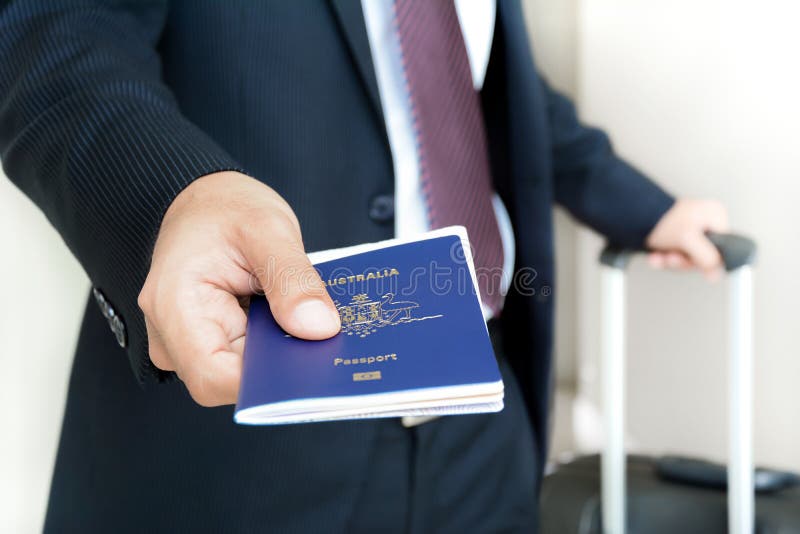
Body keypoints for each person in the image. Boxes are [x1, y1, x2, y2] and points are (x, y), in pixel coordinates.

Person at [0, 1, 729, 532]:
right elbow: (55, 38)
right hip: (249, 431)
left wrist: (642, 207)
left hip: (482, 424)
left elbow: (478, 86)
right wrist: (173, 194)